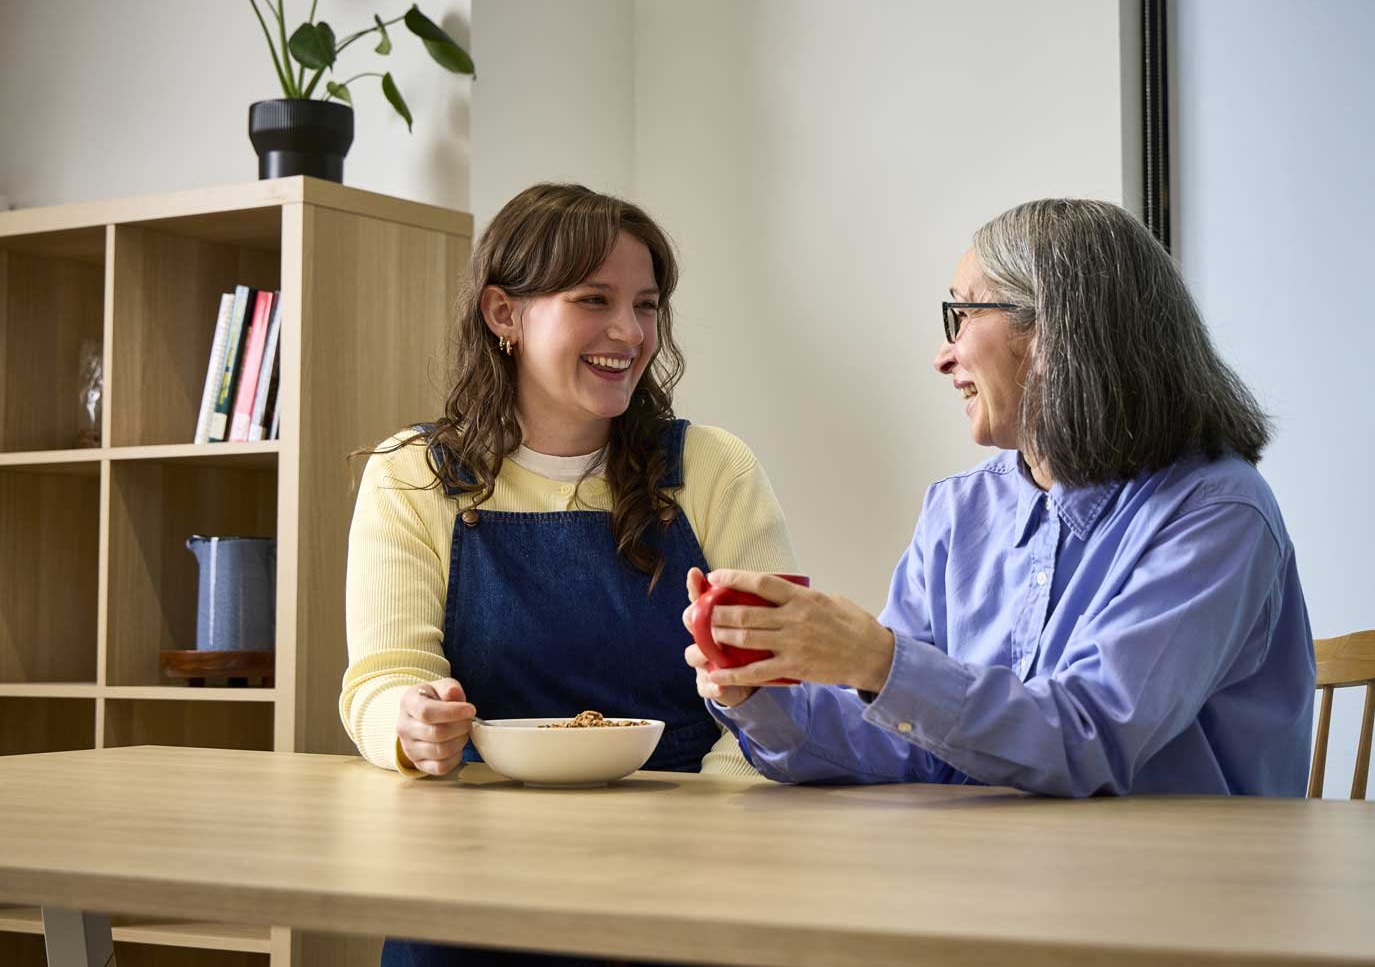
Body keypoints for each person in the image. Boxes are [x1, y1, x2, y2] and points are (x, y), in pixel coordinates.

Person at [684, 198, 1315, 797]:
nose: (942, 355)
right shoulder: (959, 513)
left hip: (1183, 894)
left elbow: (1091, 739)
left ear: (1055, 330)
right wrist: (755, 692)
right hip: (991, 881)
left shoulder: (1216, 512)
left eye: (962, 315)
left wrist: (878, 661)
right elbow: (909, 744)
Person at [341, 184, 796, 965]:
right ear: (503, 313)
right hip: (467, 881)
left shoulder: (713, 469)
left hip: (678, 878)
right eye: (595, 299)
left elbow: (776, 684)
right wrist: (411, 724)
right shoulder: (412, 474)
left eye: (647, 304)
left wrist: (711, 824)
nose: (630, 331)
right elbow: (382, 679)